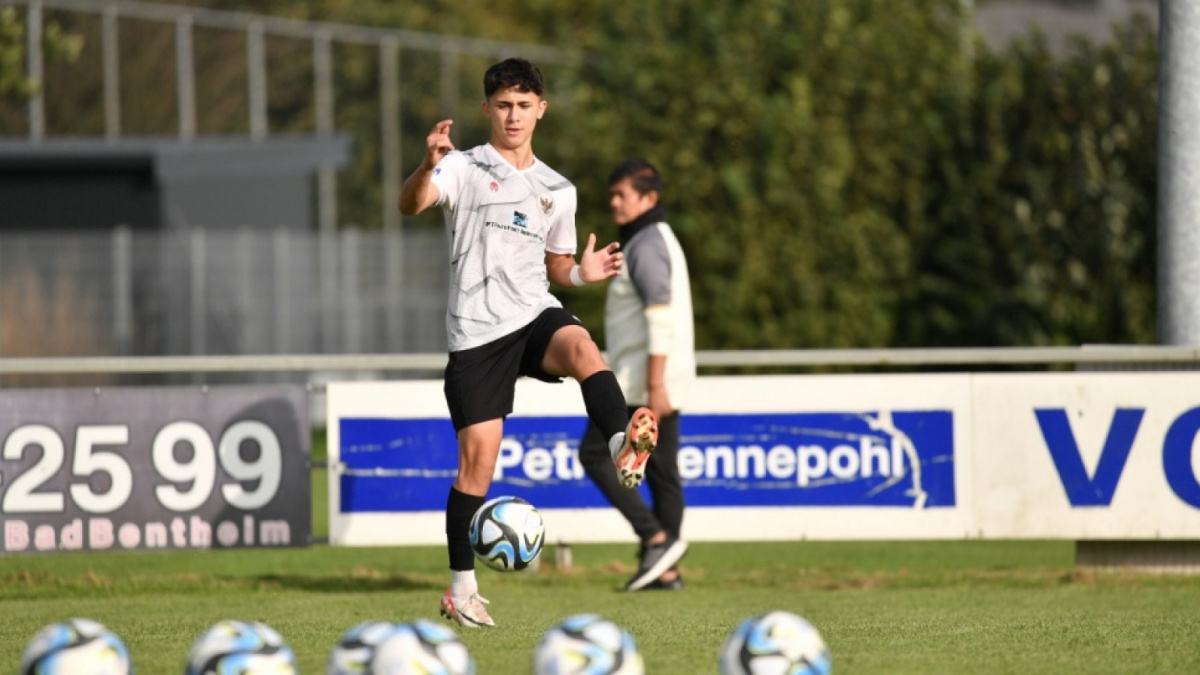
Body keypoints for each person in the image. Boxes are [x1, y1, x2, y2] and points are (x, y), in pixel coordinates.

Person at [397, 57, 659, 629]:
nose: (513, 116)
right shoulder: (462, 168)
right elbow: (410, 204)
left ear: (540, 109)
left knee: (586, 351)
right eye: (503, 105)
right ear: (488, 109)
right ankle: (461, 590)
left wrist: (584, 275)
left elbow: (558, 267)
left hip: (534, 312)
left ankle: (621, 445)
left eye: (523, 105)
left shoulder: (557, 189)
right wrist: (426, 164)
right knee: (478, 467)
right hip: (477, 333)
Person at [578, 158, 696, 592]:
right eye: (611, 194)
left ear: (650, 198)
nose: (613, 202)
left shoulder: (647, 243)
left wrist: (655, 386)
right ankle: (666, 572)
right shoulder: (651, 238)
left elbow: (659, 318)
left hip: (640, 383)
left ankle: (655, 538)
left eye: (622, 194)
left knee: (594, 453)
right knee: (663, 474)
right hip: (650, 379)